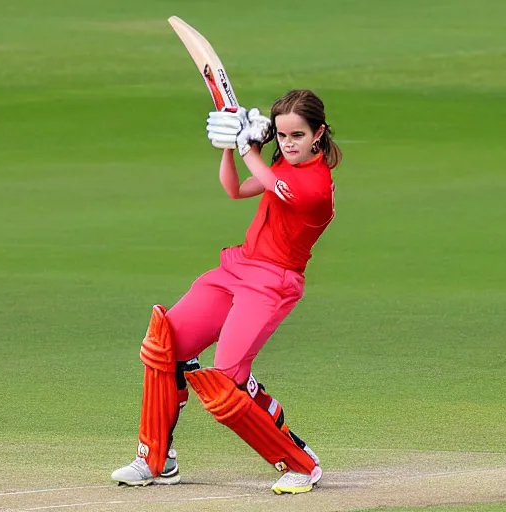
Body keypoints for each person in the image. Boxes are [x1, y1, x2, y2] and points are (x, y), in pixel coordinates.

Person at [111, 89, 342, 495]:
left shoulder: (317, 186)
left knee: (226, 382)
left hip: (274, 283)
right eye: (283, 136)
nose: (287, 144)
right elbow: (235, 190)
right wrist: (227, 149)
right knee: (165, 345)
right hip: (237, 267)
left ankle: (300, 464)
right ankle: (156, 460)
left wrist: (245, 144)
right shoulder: (281, 164)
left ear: (318, 134)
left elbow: (278, 185)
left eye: (297, 136)